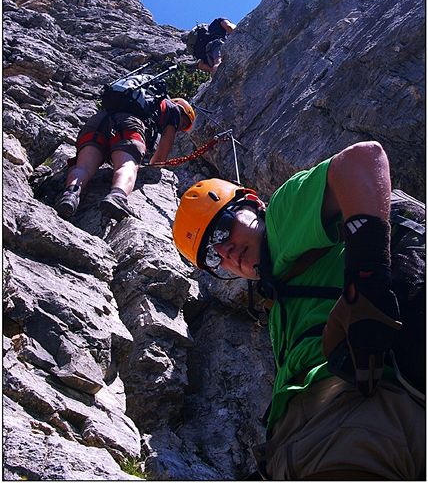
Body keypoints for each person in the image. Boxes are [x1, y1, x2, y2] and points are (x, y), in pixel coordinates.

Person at [172, 141, 425, 480]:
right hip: (329, 433)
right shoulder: (278, 302)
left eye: (222, 229)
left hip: (351, 418)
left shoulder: (280, 219)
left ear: (254, 204)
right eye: (213, 257)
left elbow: (364, 159)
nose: (227, 251)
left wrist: (367, 282)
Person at [56, 97, 195, 221]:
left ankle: (70, 195)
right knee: (127, 165)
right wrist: (153, 168)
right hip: (128, 125)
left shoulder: (136, 97)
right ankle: (117, 196)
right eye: (183, 124)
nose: (180, 128)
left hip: (98, 121)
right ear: (182, 110)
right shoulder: (174, 110)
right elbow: (164, 147)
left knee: (83, 167)